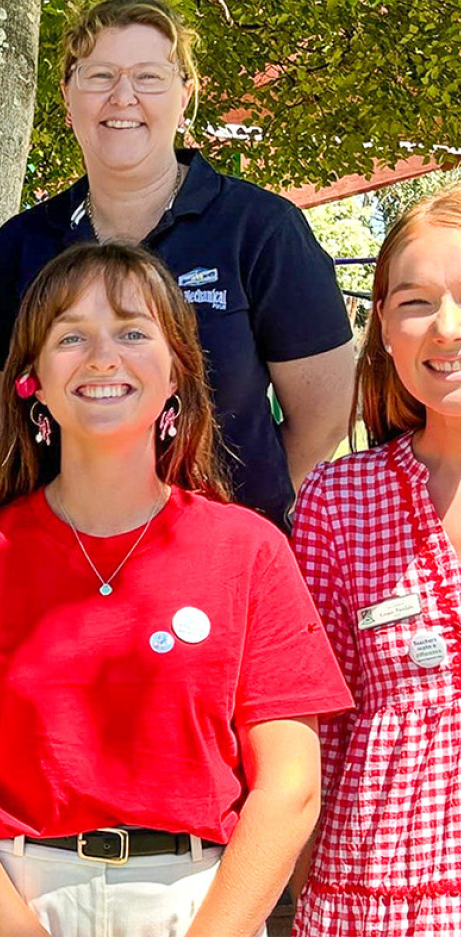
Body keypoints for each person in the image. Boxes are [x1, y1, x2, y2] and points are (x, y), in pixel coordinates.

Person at [0, 241, 353, 937]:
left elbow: (290, 788)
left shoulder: (252, 553)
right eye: (72, 336)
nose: (103, 356)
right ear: (31, 381)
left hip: (198, 906)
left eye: (133, 332)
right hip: (10, 905)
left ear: (176, 375)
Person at [0, 0, 353, 528]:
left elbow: (324, 419)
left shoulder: (262, 230)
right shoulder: (23, 243)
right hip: (67, 554)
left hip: (229, 558)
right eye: (100, 75)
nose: (122, 96)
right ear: (66, 95)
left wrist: (227, 523)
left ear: (185, 95)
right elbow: (11, 397)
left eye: (148, 77)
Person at [290, 186, 461, 937]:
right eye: (417, 302)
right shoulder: (340, 496)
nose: (446, 327)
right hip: (374, 896)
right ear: (384, 326)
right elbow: (311, 727)